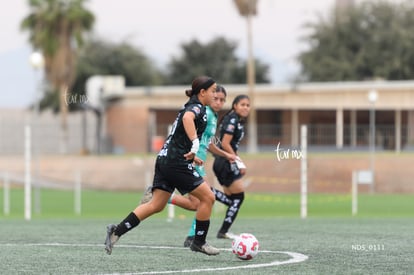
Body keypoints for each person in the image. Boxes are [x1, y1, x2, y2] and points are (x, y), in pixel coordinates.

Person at [104, 76, 220, 256]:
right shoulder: (196, 107)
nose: (216, 94)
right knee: (208, 198)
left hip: (165, 159)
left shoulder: (195, 106)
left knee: (156, 205)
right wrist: (196, 145)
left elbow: (179, 135)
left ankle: (116, 231)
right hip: (175, 163)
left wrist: (192, 155)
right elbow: (188, 119)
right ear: (202, 92)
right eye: (213, 91)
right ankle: (199, 242)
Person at [165, 86, 236, 247]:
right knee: (207, 199)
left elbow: (209, 143)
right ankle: (194, 238)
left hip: (198, 162)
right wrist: (194, 153)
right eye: (215, 98)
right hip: (192, 161)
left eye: (222, 100)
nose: (218, 102)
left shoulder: (214, 116)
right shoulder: (204, 113)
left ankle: (165, 199)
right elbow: (190, 134)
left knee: (196, 204)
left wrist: (226, 155)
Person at [212, 94, 250, 239]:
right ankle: (209, 192)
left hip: (225, 161)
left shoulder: (236, 120)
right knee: (238, 197)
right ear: (235, 106)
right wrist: (238, 162)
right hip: (224, 162)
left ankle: (223, 231)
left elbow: (232, 145)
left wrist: (237, 159)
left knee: (233, 199)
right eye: (243, 104)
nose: (246, 107)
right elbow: (225, 144)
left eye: (248, 105)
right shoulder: (232, 119)